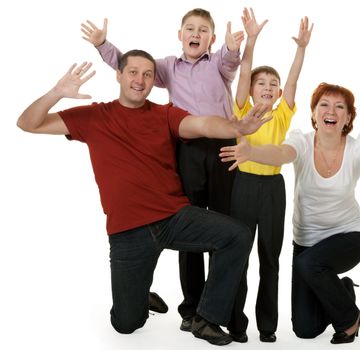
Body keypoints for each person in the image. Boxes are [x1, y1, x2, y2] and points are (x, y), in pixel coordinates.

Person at [17, 50, 272, 346]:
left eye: (148, 74)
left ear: (154, 81)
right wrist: (57, 92)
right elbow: (27, 123)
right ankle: (139, 296)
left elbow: (201, 124)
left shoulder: (164, 114)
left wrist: (234, 127)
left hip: (174, 218)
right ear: (119, 75)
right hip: (129, 232)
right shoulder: (94, 117)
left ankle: (206, 317)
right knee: (126, 325)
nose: (140, 80)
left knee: (237, 235)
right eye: (133, 72)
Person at [220, 82, 360, 344]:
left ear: (348, 118)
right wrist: (252, 152)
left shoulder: (356, 147)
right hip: (307, 243)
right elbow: (281, 153)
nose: (331, 111)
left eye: (340, 107)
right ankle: (343, 290)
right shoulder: (302, 143)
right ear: (315, 114)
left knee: (310, 264)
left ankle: (350, 320)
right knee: (306, 329)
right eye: (324, 105)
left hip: (349, 236)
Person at [80, 9, 244, 332]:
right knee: (191, 227)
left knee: (224, 227)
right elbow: (131, 68)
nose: (196, 34)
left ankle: (217, 312)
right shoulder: (167, 66)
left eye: (203, 31)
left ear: (210, 38)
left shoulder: (219, 65)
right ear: (180, 35)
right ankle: (191, 308)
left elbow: (230, 59)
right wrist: (103, 45)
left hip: (223, 147)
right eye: (190, 29)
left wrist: (232, 47)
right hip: (187, 146)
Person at [225, 9, 313, 343]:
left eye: (272, 85)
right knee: (239, 256)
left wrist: (301, 49)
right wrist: (252, 40)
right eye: (261, 83)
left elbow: (292, 80)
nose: (268, 86)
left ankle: (268, 326)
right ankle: (236, 323)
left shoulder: (281, 115)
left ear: (277, 95)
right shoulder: (241, 110)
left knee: (270, 259)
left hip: (273, 188)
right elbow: (245, 70)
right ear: (249, 91)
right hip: (243, 185)